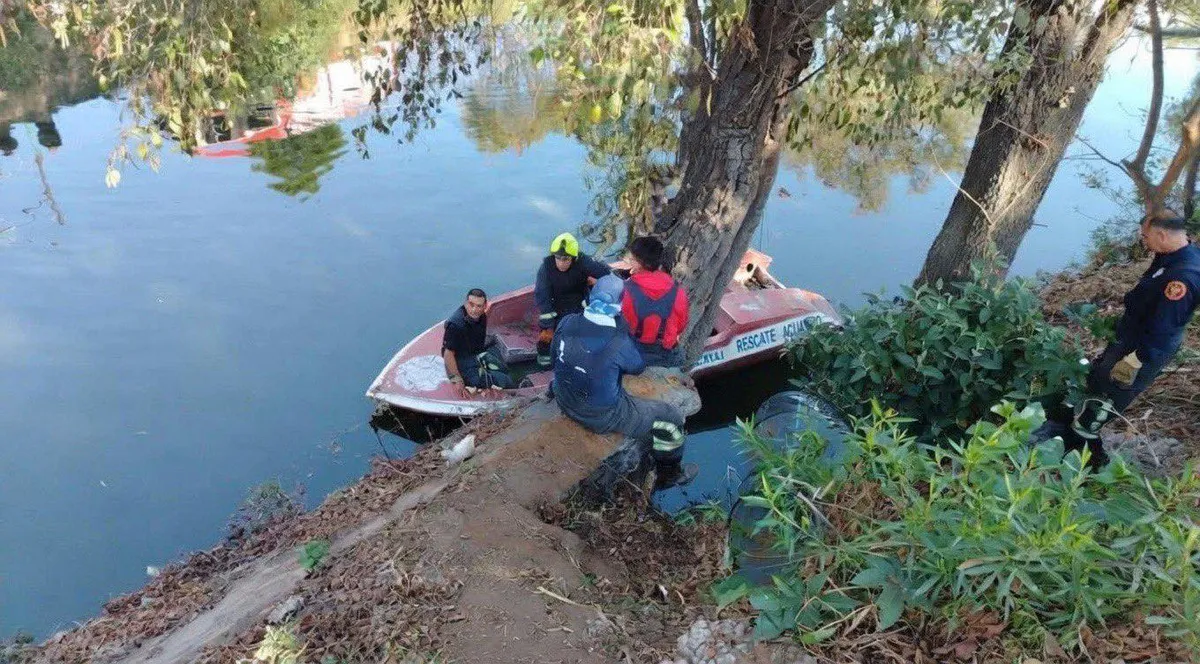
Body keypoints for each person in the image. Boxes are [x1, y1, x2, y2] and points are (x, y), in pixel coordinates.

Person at [1070, 212, 1200, 461]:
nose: (1143, 241)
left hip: (1143, 350)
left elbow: (1162, 330)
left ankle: (1090, 459)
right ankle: (1076, 434)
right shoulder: (1171, 256)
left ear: (1162, 235)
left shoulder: (1182, 278)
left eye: (1145, 236)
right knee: (1099, 383)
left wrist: (1135, 362)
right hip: (1130, 338)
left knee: (1107, 400)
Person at [551, 274, 698, 489]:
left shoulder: (567, 322)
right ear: (620, 304)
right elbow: (637, 368)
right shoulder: (618, 341)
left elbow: (555, 356)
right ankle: (670, 473)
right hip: (601, 416)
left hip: (562, 397)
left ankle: (550, 391)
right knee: (670, 418)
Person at [534, 232, 611, 367]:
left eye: (566, 259)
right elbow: (542, 296)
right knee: (545, 340)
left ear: (573, 258)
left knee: (580, 339)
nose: (562, 263)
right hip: (554, 308)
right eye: (558, 258)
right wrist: (548, 326)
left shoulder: (582, 262)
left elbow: (605, 274)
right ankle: (545, 365)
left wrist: (595, 281)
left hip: (578, 307)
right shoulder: (546, 268)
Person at [621, 236, 690, 367]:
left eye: (631, 259)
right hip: (666, 354)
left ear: (639, 263)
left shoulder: (627, 290)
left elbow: (623, 324)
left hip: (636, 351)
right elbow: (681, 325)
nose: (629, 261)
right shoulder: (678, 291)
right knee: (680, 358)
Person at [442, 288, 514, 393]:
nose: (474, 310)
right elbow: (448, 353)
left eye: (479, 306)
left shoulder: (482, 317)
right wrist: (457, 379)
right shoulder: (456, 325)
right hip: (461, 363)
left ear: (485, 306)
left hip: (474, 353)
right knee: (505, 380)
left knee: (502, 366)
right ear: (466, 303)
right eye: (471, 304)